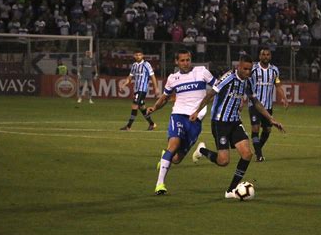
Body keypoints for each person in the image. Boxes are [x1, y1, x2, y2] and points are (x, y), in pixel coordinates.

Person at [190, 54, 285, 199]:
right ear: (238, 67)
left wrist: (271, 118)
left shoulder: (248, 82)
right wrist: (197, 111)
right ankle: (202, 150)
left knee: (247, 154)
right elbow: (210, 94)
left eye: (250, 69)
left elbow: (256, 102)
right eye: (245, 69)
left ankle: (230, 190)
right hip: (220, 122)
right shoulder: (228, 78)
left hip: (235, 122)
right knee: (223, 161)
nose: (248, 72)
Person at [148, 49, 216, 195]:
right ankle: (160, 184)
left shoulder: (202, 72)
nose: (185, 63)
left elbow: (218, 87)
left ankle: (165, 156)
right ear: (176, 62)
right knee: (174, 145)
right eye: (182, 60)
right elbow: (165, 98)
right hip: (178, 115)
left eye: (187, 60)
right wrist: (154, 107)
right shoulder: (173, 78)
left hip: (195, 120)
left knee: (177, 159)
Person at [248, 47, 289, 162]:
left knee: (267, 130)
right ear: (260, 56)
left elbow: (278, 84)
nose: (265, 56)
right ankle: (259, 155)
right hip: (254, 105)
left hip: (268, 106)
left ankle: (257, 149)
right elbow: (246, 84)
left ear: (270, 56)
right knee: (255, 128)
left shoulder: (274, 70)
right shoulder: (253, 69)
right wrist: (242, 99)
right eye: (263, 54)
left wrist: (284, 98)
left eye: (267, 55)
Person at [119, 50, 159, 131]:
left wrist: (156, 88)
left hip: (142, 89)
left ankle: (128, 126)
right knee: (142, 108)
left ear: (143, 55)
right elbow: (129, 77)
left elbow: (153, 76)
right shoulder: (134, 65)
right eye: (136, 55)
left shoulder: (146, 65)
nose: (138, 56)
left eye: (140, 55)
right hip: (136, 89)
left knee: (134, 106)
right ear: (134, 56)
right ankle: (152, 124)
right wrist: (123, 85)